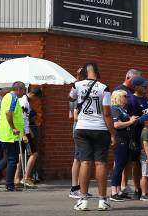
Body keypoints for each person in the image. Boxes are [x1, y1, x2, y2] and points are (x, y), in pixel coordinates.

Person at [69, 62, 115, 211]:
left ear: (84, 72)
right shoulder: (104, 87)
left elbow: (70, 98)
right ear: (97, 71)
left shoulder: (77, 85)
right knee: (100, 164)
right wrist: (113, 134)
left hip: (82, 128)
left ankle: (83, 200)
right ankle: (103, 200)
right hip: (100, 129)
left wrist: (77, 78)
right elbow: (107, 113)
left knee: (85, 163)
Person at [0, 81, 26, 191]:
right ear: (18, 89)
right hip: (10, 133)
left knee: (9, 157)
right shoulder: (13, 98)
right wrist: (13, 127)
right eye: (23, 90)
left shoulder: (6, 97)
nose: (24, 92)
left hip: (5, 132)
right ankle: (9, 184)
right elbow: (9, 113)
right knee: (13, 159)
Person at [126, 76, 148, 199]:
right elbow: (131, 120)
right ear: (136, 87)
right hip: (136, 135)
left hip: (147, 134)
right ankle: (137, 189)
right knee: (136, 163)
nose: (146, 87)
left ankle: (147, 190)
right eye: (143, 86)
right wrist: (146, 117)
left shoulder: (147, 99)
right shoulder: (131, 100)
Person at [110, 90, 139, 202]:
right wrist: (131, 122)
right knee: (118, 165)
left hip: (126, 140)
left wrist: (133, 120)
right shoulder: (115, 109)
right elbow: (116, 124)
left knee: (121, 166)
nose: (127, 98)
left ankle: (118, 191)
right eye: (125, 96)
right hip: (120, 140)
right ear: (118, 97)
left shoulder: (122, 109)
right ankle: (113, 192)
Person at [15, 87, 42, 188]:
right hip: (23, 132)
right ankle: (25, 178)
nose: (36, 101)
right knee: (34, 154)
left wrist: (30, 131)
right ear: (34, 95)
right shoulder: (24, 102)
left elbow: (25, 119)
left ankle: (16, 179)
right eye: (37, 99)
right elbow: (20, 118)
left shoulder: (24, 101)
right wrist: (24, 134)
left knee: (21, 155)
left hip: (25, 131)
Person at [69, 67, 85, 199]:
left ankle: (79, 187)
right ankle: (74, 188)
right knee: (78, 158)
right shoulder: (77, 96)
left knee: (81, 158)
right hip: (80, 127)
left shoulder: (75, 94)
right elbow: (73, 116)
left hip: (79, 127)